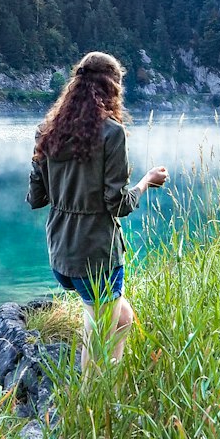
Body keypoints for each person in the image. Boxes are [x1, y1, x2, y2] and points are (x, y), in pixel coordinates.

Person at [27, 51, 168, 369]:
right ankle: (91, 401)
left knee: (123, 318)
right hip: (97, 256)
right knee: (98, 335)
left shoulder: (47, 131)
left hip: (61, 254)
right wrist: (146, 182)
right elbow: (118, 205)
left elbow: (36, 197)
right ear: (111, 87)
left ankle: (109, 388)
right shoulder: (111, 134)